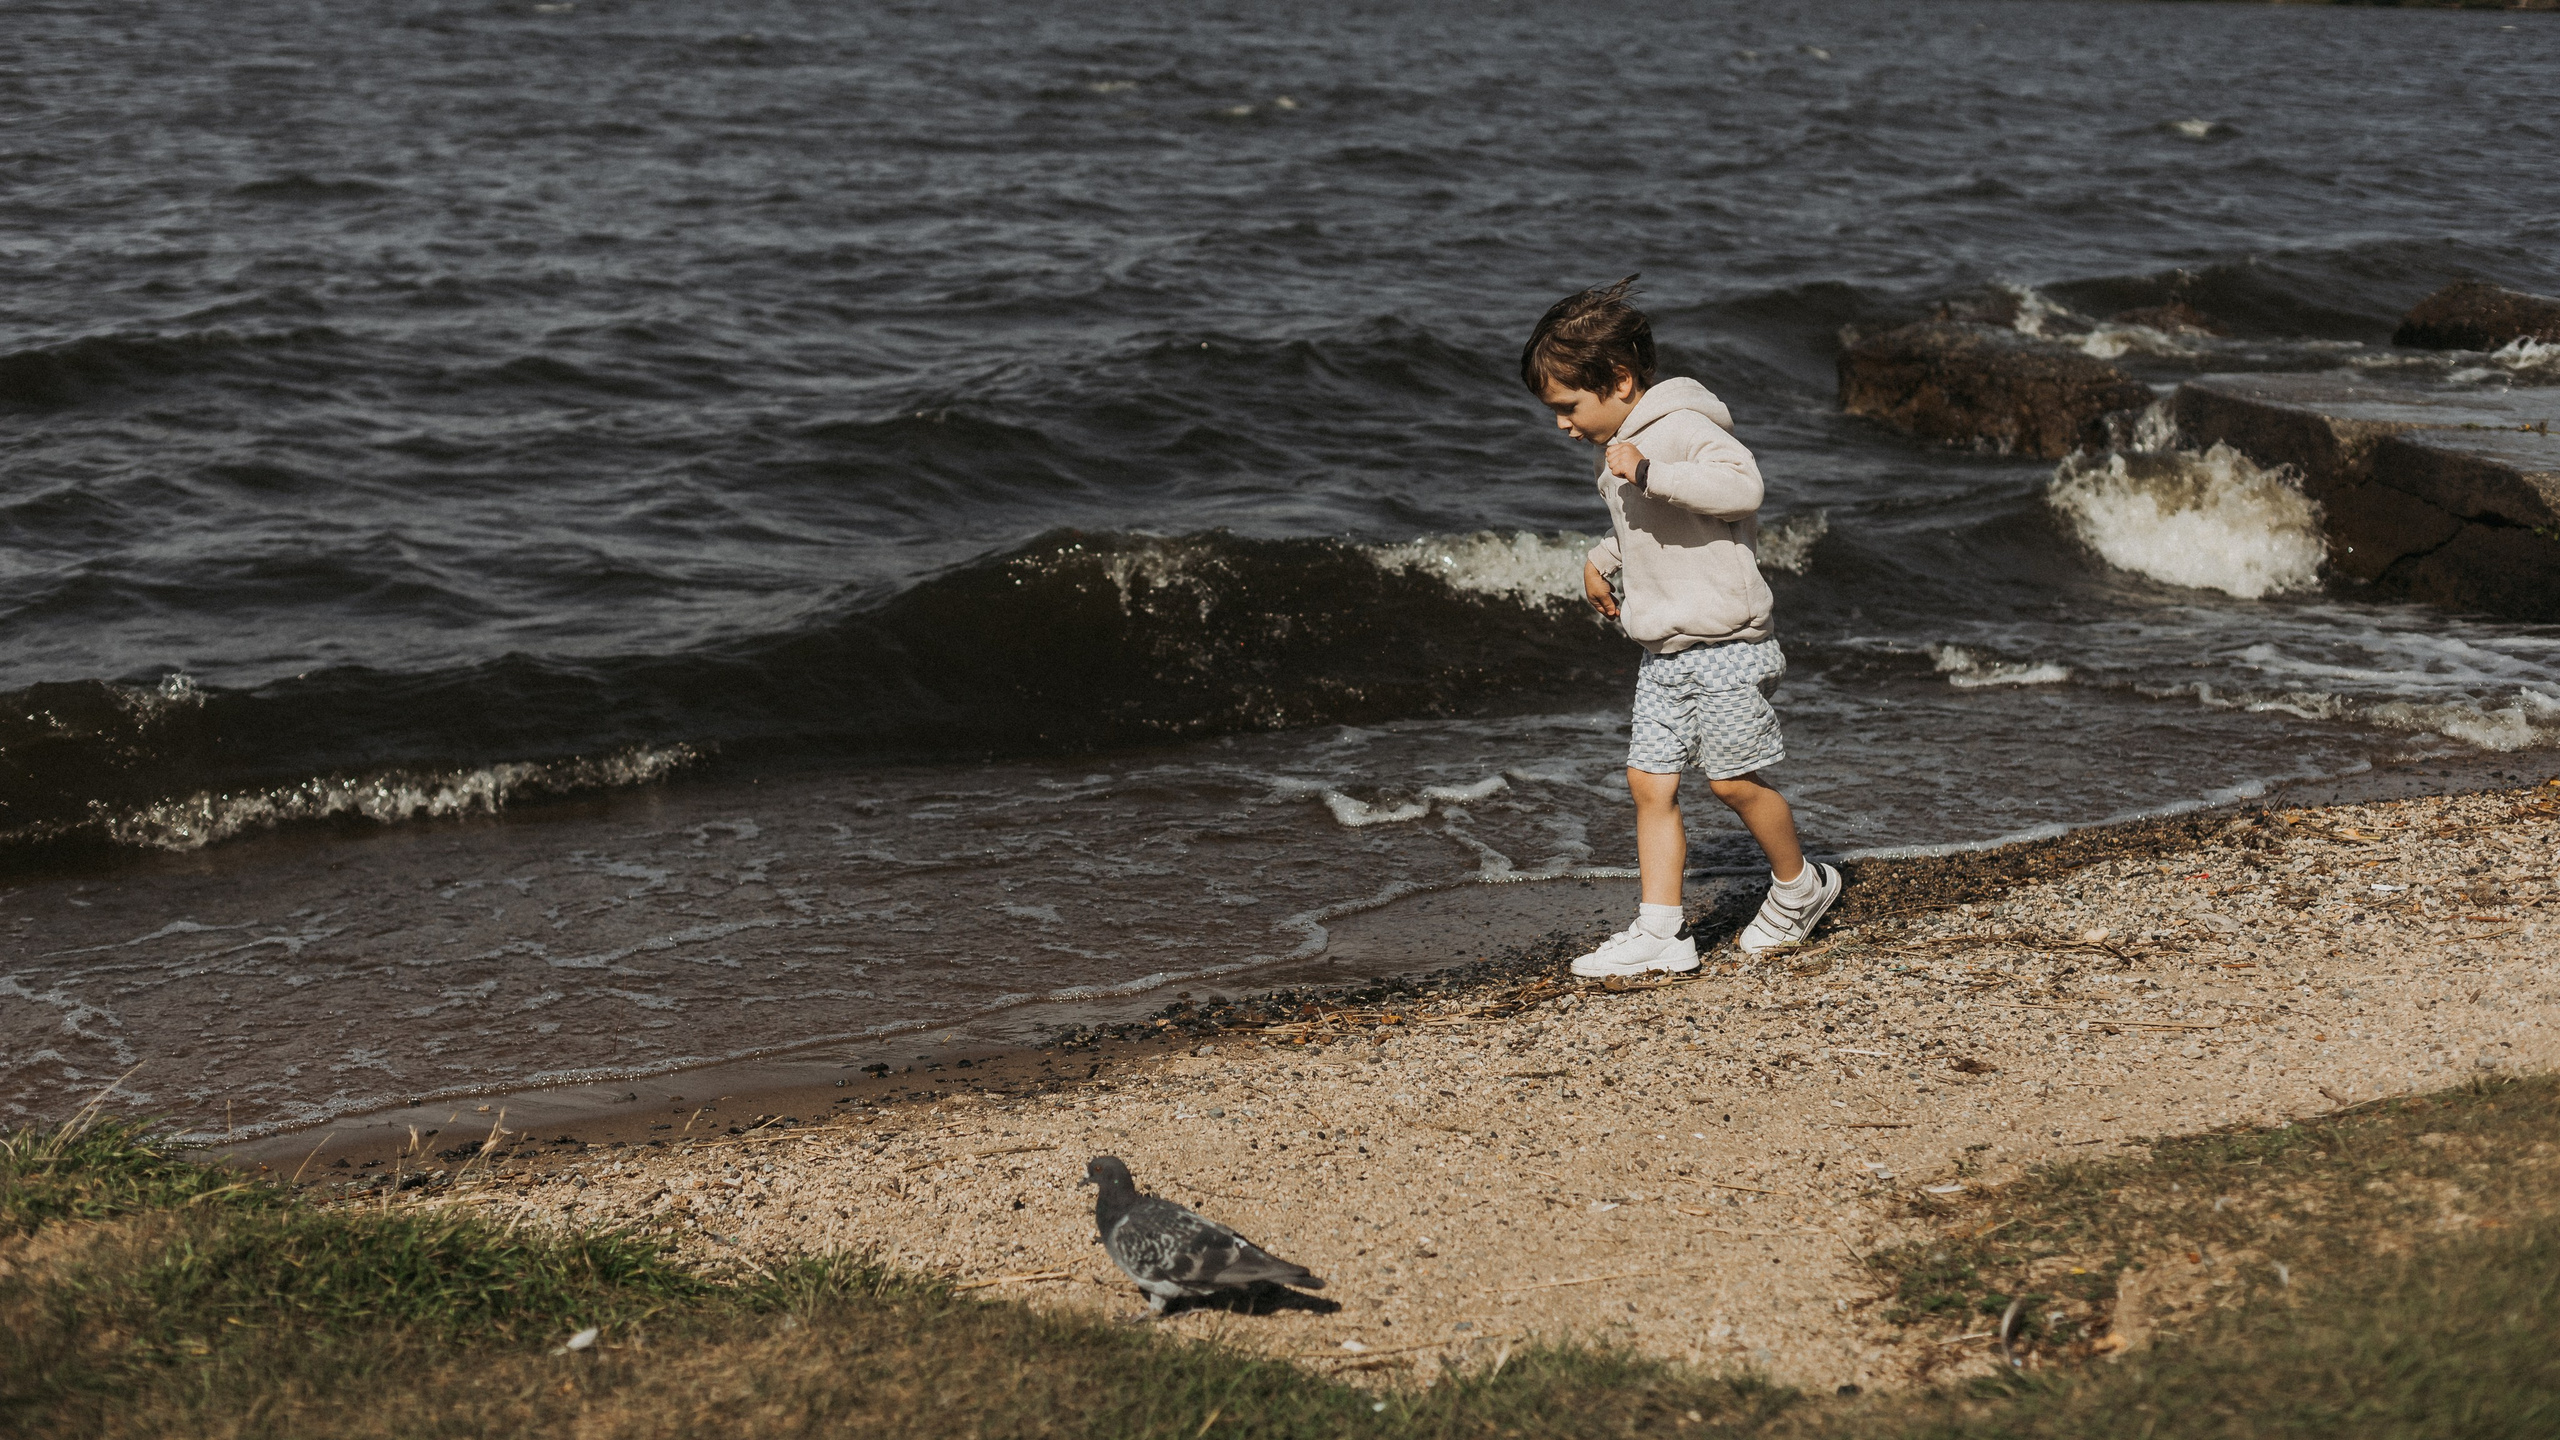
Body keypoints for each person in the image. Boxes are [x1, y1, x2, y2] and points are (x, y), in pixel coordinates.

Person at [1521, 276, 1840, 977]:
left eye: (1570, 406)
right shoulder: (1625, 454)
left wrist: (1651, 471)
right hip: (1664, 652)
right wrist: (1600, 560)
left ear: (1621, 380)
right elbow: (1648, 532)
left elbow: (1741, 491)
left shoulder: (1680, 431)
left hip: (1726, 643)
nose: (1562, 423)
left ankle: (1801, 887)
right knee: (1649, 783)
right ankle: (1662, 930)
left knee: (1731, 781)